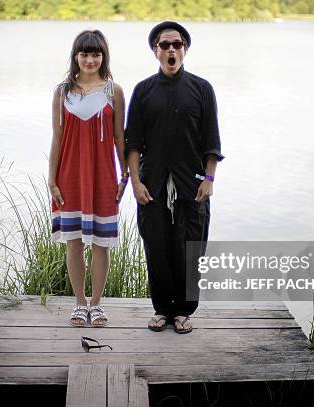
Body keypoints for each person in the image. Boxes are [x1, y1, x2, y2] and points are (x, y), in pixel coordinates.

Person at [125, 21, 224, 334]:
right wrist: (135, 182)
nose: (171, 49)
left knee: (191, 249)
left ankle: (183, 311)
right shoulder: (143, 91)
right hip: (152, 184)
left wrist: (209, 179)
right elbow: (133, 144)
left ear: (185, 50)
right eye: (164, 45)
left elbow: (212, 140)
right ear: (155, 51)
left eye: (177, 44)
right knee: (156, 247)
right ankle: (162, 310)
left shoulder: (202, 89)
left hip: (192, 184)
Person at [49, 30, 127, 328]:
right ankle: (79, 303)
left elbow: (120, 137)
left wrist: (125, 175)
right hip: (69, 175)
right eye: (85, 54)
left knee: (101, 244)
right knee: (74, 242)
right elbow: (57, 138)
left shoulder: (113, 91)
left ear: (103, 56)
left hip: (103, 175)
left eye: (96, 54)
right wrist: (51, 179)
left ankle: (97, 304)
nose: (90, 59)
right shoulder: (61, 91)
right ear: (76, 56)